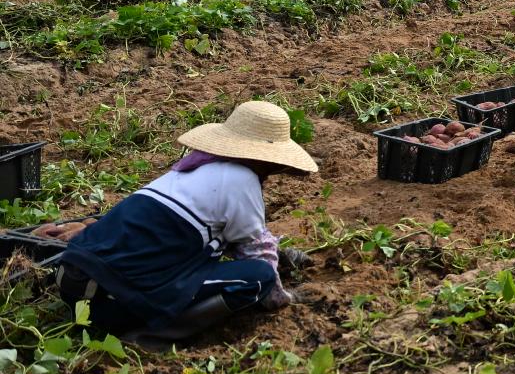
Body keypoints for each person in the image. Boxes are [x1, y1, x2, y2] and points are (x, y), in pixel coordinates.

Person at [44, 100, 313, 349]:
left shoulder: (190, 173)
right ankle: (150, 337)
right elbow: (257, 252)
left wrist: (281, 255)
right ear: (267, 160)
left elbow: (217, 237)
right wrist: (279, 297)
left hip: (73, 286)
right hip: (107, 302)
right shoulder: (241, 180)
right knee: (258, 277)